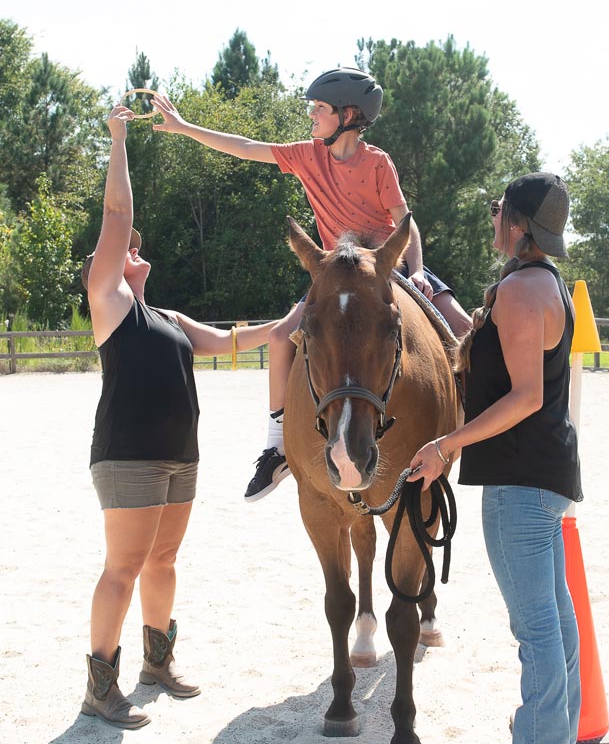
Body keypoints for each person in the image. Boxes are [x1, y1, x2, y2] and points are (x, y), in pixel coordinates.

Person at [151, 69, 474, 502]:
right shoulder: (306, 155)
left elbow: (406, 225)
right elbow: (247, 149)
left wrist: (415, 270)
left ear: (348, 115)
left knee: (460, 328)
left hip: (383, 266)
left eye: (319, 109)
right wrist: (185, 128)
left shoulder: (377, 163)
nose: (311, 116)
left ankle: (479, 422)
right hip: (333, 272)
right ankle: (276, 445)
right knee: (284, 334)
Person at [80, 104, 276, 729]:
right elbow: (117, 217)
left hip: (178, 457)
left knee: (162, 564)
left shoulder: (165, 318)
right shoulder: (112, 304)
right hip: (128, 456)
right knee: (123, 569)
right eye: (121, 251)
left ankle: (156, 663)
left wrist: (303, 315)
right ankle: (99, 686)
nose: (133, 250)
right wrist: (118, 140)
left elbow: (229, 341)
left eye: (133, 249)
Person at [408, 173, 583, 744]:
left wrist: (447, 444)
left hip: (518, 478)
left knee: (537, 634)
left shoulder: (517, 290)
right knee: (556, 627)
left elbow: (525, 395)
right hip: (546, 475)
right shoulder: (542, 285)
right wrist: (440, 296)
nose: (492, 219)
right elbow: (484, 352)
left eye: (496, 211)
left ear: (514, 221)